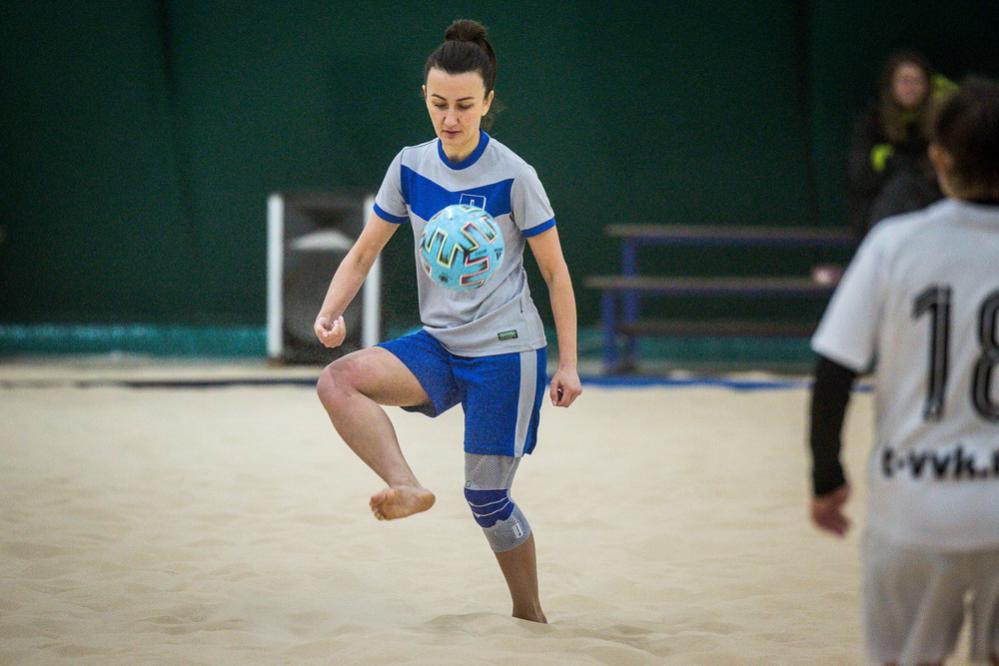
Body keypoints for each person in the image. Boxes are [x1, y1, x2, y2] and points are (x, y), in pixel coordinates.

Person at [313, 19, 582, 625]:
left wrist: (568, 364)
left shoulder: (515, 175)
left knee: (487, 500)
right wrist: (331, 312)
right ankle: (406, 485)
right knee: (338, 380)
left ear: (487, 102)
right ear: (425, 98)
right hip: (439, 344)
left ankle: (530, 618)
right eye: (439, 104)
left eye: (464, 105)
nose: (450, 118)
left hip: (506, 351)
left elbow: (556, 272)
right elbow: (363, 251)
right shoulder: (410, 167)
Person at [808, 77, 999, 664]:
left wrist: (826, 476)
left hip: (914, 504)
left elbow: (834, 369)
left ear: (939, 158)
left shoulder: (896, 243)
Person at [847, 51, 946, 240]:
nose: (911, 87)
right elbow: (859, 177)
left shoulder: (940, 123)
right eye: (904, 81)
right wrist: (891, 168)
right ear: (891, 85)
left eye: (917, 81)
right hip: (882, 211)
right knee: (899, 189)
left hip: (928, 209)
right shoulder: (872, 121)